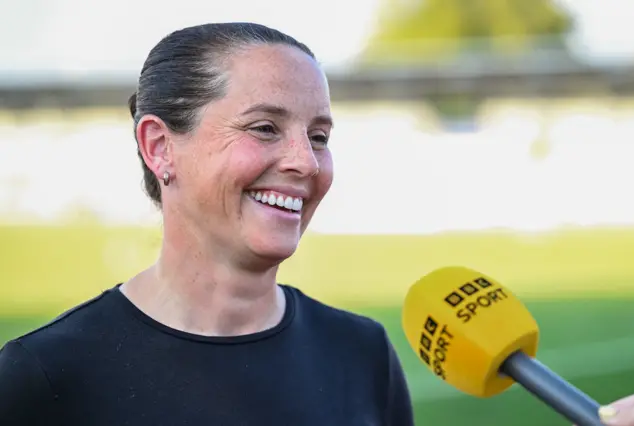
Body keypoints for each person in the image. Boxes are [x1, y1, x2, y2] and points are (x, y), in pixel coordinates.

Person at [0, 22, 414, 425]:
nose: (306, 161)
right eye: (265, 128)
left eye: (319, 137)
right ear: (160, 148)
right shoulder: (45, 377)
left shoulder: (362, 354)